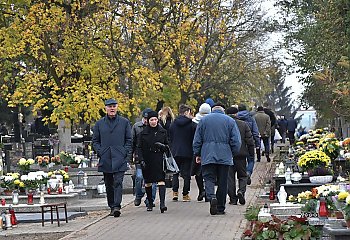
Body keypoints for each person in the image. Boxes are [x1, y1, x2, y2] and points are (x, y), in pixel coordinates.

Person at [193, 103, 241, 215]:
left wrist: (197, 153)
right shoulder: (230, 121)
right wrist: (232, 153)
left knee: (208, 178)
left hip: (207, 153)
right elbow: (236, 141)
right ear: (223, 110)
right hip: (225, 155)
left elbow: (197, 139)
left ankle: (211, 196)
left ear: (212, 110)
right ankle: (220, 207)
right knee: (223, 181)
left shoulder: (204, 121)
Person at [92, 98, 132, 217]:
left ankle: (116, 206)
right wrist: (100, 151)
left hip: (120, 157)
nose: (112, 108)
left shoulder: (124, 122)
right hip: (106, 157)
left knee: (118, 181)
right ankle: (111, 205)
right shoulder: (99, 124)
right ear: (106, 108)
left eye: (114, 106)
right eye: (109, 106)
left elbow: (129, 140)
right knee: (109, 183)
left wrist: (124, 152)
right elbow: (95, 141)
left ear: (117, 107)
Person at [137, 111, 169, 213]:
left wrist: (163, 147)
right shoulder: (143, 133)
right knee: (148, 182)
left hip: (159, 158)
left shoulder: (163, 131)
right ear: (148, 121)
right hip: (147, 159)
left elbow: (168, 146)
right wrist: (141, 159)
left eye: (155, 119)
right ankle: (150, 202)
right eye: (151, 120)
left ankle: (162, 204)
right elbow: (139, 147)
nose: (154, 122)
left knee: (161, 180)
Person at [226, 107, 254, 205]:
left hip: (228, 154)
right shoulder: (243, 124)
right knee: (242, 176)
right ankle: (241, 191)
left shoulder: (225, 124)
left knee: (230, 178)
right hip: (241, 154)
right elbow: (250, 141)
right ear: (236, 114)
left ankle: (233, 199)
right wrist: (251, 154)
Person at [169, 104, 196, 202]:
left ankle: (175, 193)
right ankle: (185, 194)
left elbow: (170, 137)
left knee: (175, 173)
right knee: (186, 175)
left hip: (175, 151)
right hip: (188, 152)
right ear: (186, 112)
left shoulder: (173, 124)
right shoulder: (192, 125)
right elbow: (195, 138)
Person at [131, 108, 157, 207]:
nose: (146, 121)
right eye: (145, 118)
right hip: (139, 156)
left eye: (148, 118)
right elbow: (132, 142)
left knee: (153, 180)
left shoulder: (155, 127)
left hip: (152, 157)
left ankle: (150, 199)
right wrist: (130, 157)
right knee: (139, 177)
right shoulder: (136, 127)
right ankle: (138, 195)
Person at [192, 103, 211, 201]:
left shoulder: (194, 122)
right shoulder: (211, 122)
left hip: (199, 149)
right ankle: (208, 193)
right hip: (209, 150)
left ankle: (201, 190)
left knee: (198, 172)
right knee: (208, 173)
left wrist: (196, 152)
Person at [237, 104, 260, 185]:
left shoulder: (236, 118)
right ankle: (248, 173)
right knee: (251, 159)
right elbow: (255, 132)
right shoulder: (250, 118)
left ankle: (242, 176)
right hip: (249, 142)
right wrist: (257, 143)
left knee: (241, 160)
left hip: (238, 143)